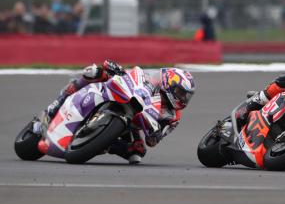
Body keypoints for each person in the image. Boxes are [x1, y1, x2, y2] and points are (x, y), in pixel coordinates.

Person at [36, 60, 196, 164]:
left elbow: (154, 141)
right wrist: (115, 69)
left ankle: (101, 144)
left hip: (134, 125)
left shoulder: (173, 117)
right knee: (94, 72)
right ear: (169, 84)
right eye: (181, 93)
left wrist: (154, 134)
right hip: (121, 95)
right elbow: (132, 75)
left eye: (186, 96)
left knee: (138, 152)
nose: (183, 99)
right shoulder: (151, 79)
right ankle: (55, 106)